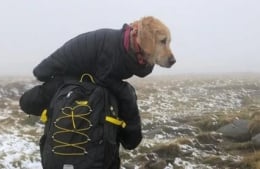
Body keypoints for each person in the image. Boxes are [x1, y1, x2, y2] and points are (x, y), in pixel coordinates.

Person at [20, 16, 175, 167]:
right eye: (163, 42)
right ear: (146, 38)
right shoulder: (117, 65)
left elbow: (26, 103)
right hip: (61, 71)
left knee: (35, 90)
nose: (169, 51)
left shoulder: (123, 48)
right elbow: (132, 141)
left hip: (55, 159)